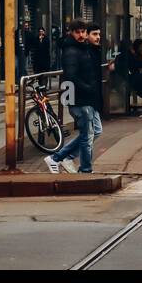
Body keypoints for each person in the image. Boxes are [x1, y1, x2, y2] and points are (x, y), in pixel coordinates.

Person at [45, 20, 104, 175]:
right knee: (87, 136)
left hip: (88, 98)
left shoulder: (84, 48)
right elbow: (71, 76)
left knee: (95, 131)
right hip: (80, 98)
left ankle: (60, 157)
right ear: (71, 32)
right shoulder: (71, 50)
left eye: (83, 31)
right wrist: (89, 88)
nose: (81, 35)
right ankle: (85, 169)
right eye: (77, 32)